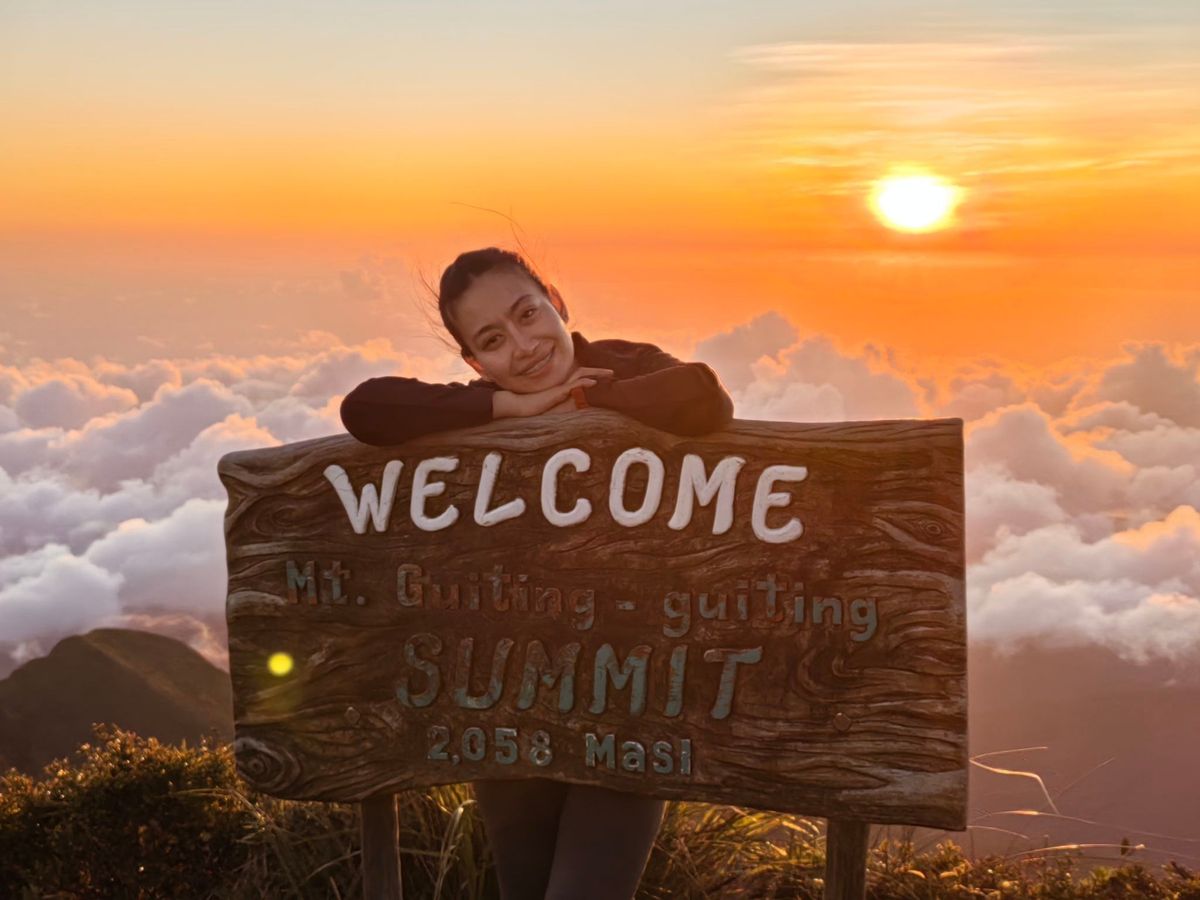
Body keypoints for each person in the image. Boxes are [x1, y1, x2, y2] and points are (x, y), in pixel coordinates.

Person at [339, 247, 735, 900]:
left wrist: (583, 398)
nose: (522, 347)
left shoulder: (629, 364)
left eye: (529, 314)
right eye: (492, 340)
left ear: (556, 299)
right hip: (512, 703)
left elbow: (702, 397)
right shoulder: (482, 403)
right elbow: (367, 409)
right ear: (473, 361)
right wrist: (509, 412)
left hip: (631, 706)